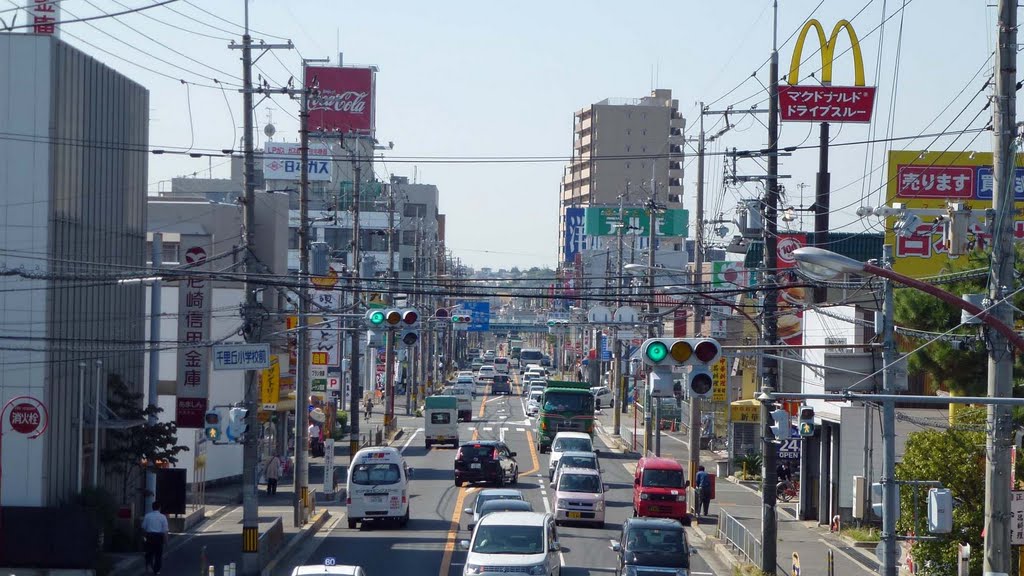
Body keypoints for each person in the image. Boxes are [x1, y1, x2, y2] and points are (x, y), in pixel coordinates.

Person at [141, 501, 169, 574]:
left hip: (149, 536)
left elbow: (143, 528)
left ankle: (148, 566)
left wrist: (144, 537)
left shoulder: (147, 516)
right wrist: (166, 542)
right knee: (158, 555)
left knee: (149, 552)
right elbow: (165, 531)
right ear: (159, 508)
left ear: (152, 507)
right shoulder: (163, 517)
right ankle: (157, 570)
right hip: (159, 537)